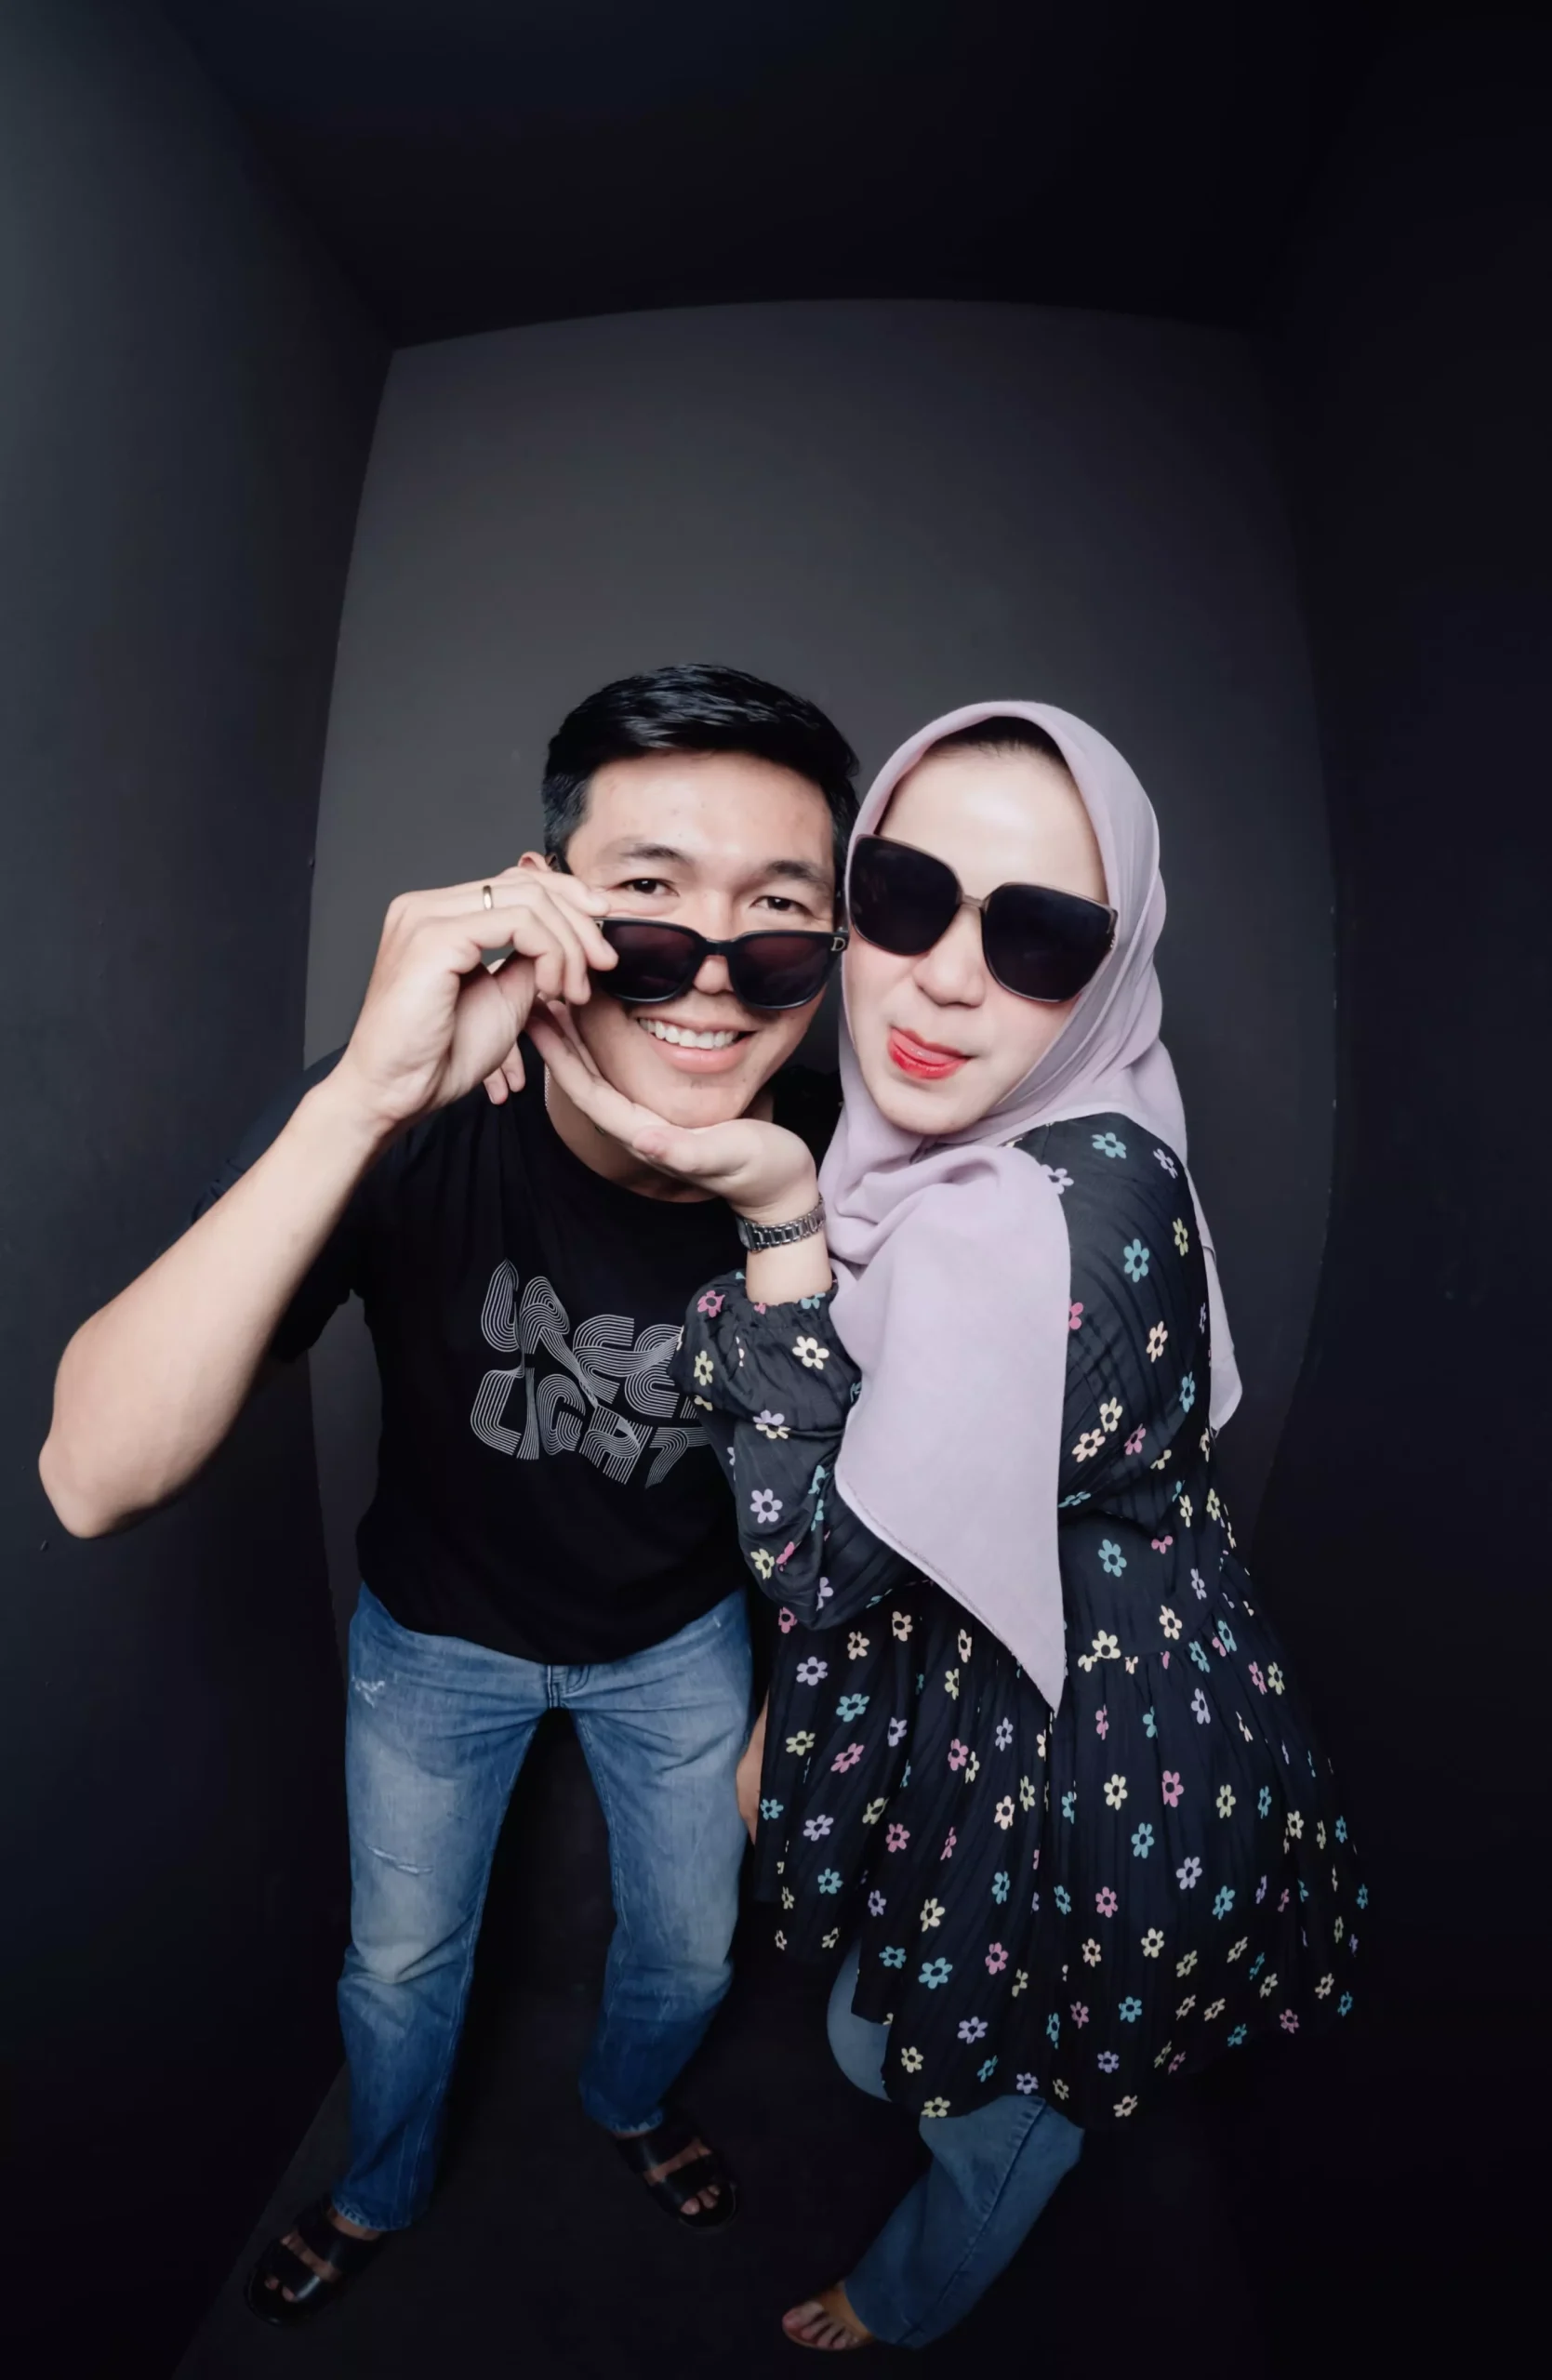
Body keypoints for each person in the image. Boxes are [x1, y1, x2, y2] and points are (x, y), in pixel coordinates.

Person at [527, 700, 1362, 2351]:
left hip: (1094, 1778)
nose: (948, 979)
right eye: (905, 899)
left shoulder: (1020, 1228)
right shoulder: (1036, 1132)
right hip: (991, 1704)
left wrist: (777, 1221)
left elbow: (822, 1559)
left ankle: (902, 2299)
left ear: (1110, 972)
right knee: (885, 2037)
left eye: (1039, 938)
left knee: (1002, 2110)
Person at [38, 664, 857, 2324]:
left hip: (683, 1645)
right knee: (402, 1965)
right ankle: (380, 2182)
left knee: (694, 1950)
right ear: (543, 903)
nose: (713, 972)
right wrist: (362, 1102)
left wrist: (788, 1696)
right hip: (435, 1642)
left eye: (777, 918)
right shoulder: (405, 1113)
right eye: (650, 899)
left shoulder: (846, 1163)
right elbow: (89, 1478)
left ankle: (629, 2107)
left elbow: (867, 1503)